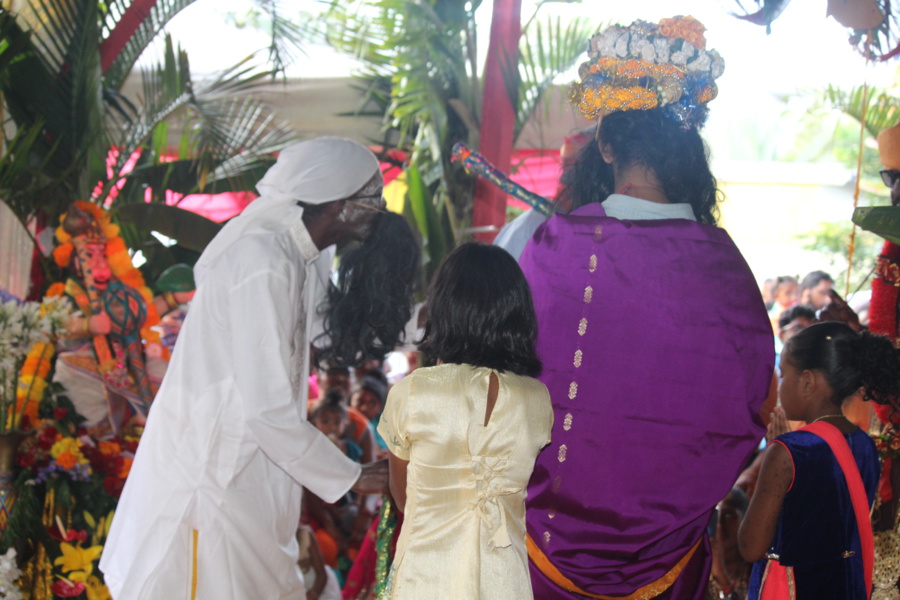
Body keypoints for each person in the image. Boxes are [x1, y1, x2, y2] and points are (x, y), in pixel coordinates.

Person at [517, 17, 776, 600]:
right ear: (686, 152)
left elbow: (510, 375)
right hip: (668, 551)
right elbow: (756, 402)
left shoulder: (554, 245)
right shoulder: (724, 269)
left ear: (604, 146)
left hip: (543, 543)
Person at [99, 137, 421, 599]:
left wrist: (420, 325)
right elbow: (268, 412)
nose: (380, 208)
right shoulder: (263, 259)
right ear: (339, 205)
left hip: (256, 476)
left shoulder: (301, 255)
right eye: (372, 197)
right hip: (213, 480)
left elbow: (332, 332)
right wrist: (355, 475)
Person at [377, 242, 554, 599]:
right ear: (517, 314)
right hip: (505, 580)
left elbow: (402, 496)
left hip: (427, 578)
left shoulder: (414, 393)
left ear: (445, 309)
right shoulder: (538, 399)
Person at [739, 322, 900, 599]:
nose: (780, 386)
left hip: (795, 588)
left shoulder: (788, 452)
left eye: (783, 374)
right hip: (844, 585)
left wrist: (771, 455)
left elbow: (751, 546)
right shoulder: (865, 445)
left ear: (807, 382)